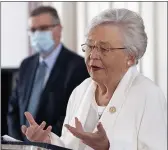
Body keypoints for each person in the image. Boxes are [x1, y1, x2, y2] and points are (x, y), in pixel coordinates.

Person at [21, 8, 167, 150]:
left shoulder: (149, 95)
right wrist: (47, 142)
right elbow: (69, 146)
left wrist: (107, 148)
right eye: (90, 46)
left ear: (130, 57)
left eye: (104, 49)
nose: (93, 55)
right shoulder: (81, 90)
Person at [7, 6, 89, 141]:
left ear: (59, 30)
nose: (37, 34)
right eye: (33, 30)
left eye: (43, 29)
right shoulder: (26, 65)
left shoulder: (78, 66)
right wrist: (18, 143)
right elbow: (13, 109)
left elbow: (72, 115)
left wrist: (44, 140)